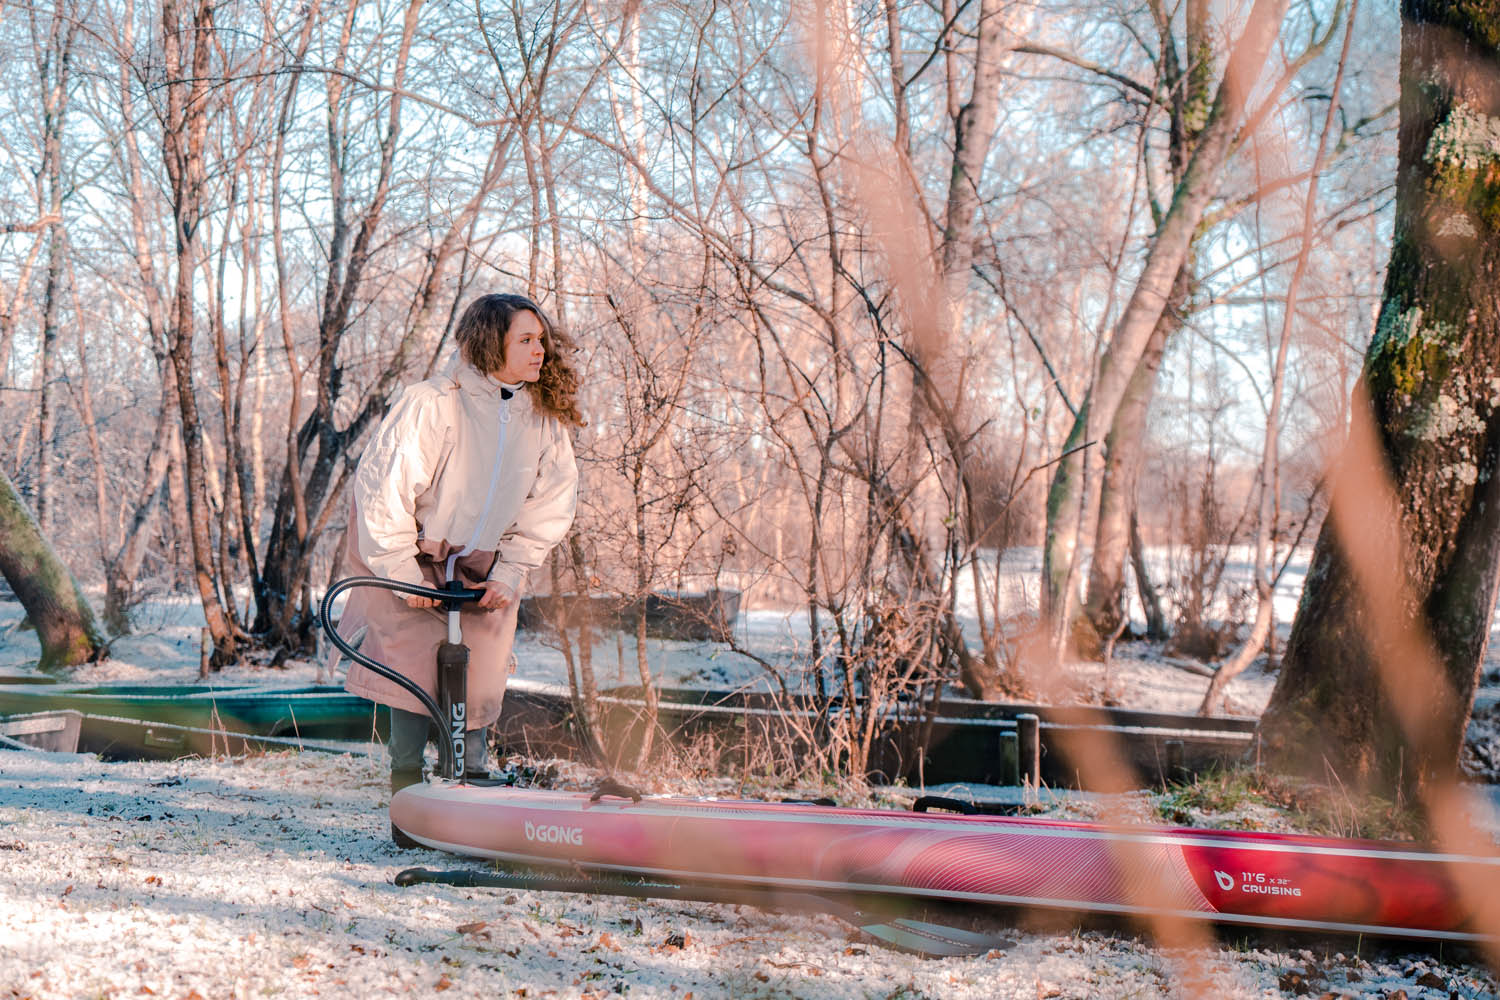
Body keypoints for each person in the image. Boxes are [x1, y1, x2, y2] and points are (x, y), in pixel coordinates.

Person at [332, 293, 583, 845]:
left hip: (483, 566)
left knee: (482, 671)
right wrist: (403, 572)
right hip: (415, 553)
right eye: (526, 339)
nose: (540, 350)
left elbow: (550, 505)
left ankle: (471, 781)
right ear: (492, 342)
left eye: (541, 339)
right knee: (412, 671)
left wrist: (510, 572)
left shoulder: (542, 418)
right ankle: (407, 789)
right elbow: (383, 489)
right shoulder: (434, 404)